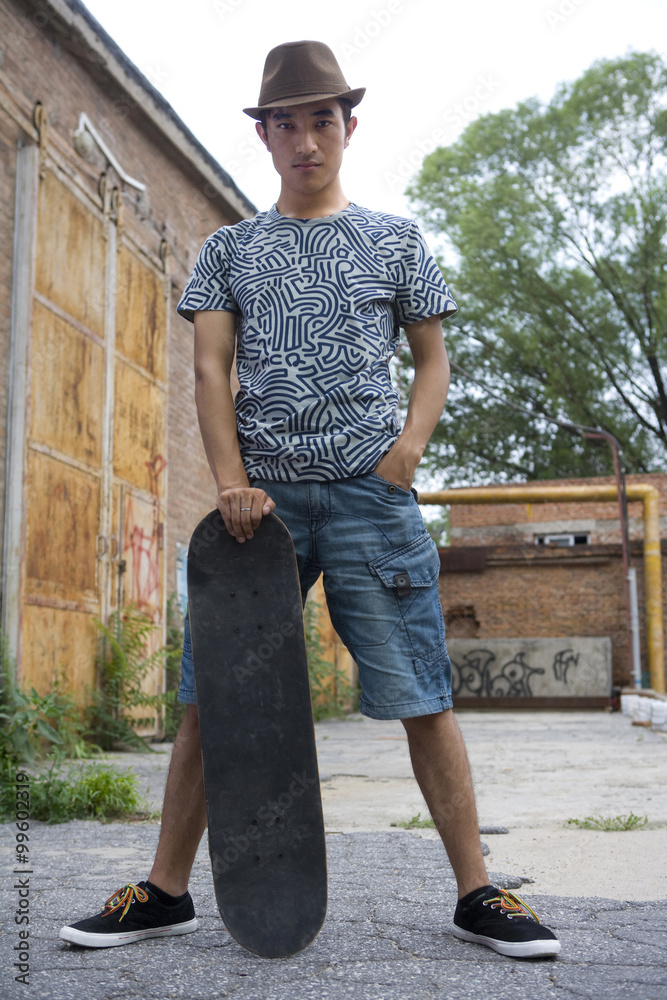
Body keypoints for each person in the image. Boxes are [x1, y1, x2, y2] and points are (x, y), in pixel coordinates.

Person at [60, 40, 560, 960]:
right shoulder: (229, 251)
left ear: (347, 126)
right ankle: (165, 891)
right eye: (284, 123)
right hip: (262, 512)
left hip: (373, 500)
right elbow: (210, 371)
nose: (304, 140)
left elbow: (431, 356)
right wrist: (230, 484)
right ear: (265, 136)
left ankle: (478, 891)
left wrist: (407, 450)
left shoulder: (397, 238)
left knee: (423, 695)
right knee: (214, 699)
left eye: (320, 120)